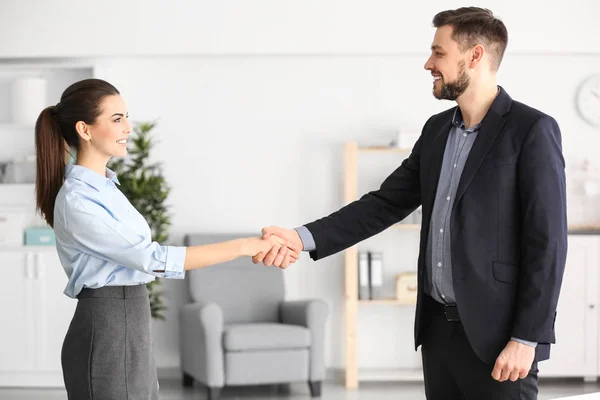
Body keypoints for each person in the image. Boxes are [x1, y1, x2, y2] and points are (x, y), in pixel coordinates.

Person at [253, 7, 567, 400]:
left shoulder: (532, 130)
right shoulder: (436, 131)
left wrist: (528, 336)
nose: (428, 64)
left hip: (500, 340)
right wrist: (302, 238)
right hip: (438, 334)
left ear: (475, 56)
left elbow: (548, 244)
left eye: (438, 52)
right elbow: (384, 204)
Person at [34, 78, 297, 400]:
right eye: (117, 119)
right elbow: (151, 259)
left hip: (130, 316)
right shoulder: (78, 200)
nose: (128, 127)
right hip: (108, 325)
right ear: (85, 130)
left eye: (127, 116)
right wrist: (242, 246)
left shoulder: (106, 189)